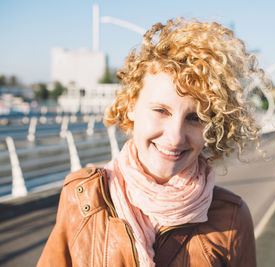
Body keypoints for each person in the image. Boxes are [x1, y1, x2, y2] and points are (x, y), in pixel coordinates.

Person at [37, 18, 262, 266]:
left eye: (195, 118)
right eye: (161, 111)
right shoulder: (83, 197)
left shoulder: (231, 218)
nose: (175, 137)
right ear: (132, 106)